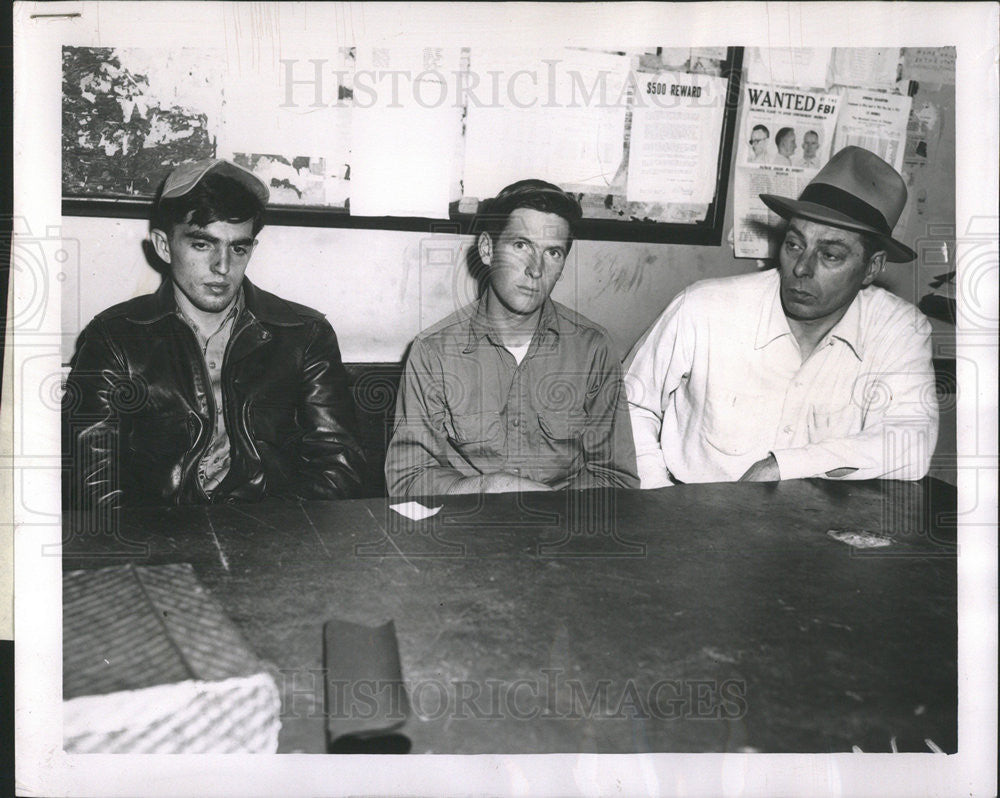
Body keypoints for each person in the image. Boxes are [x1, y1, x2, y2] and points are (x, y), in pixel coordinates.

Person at [625, 146, 937, 487]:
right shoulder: (704, 307)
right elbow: (630, 405)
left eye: (830, 254)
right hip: (691, 514)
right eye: (794, 244)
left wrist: (782, 466)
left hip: (819, 524)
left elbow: (911, 442)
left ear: (871, 268)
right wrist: (660, 496)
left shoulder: (899, 328)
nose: (802, 267)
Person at [65, 159, 366, 508]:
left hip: (275, 538)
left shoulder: (304, 334)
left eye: (238, 248)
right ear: (164, 246)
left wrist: (267, 534)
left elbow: (339, 466)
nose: (223, 267)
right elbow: (92, 485)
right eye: (202, 244)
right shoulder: (114, 339)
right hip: (162, 546)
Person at [385, 179, 638, 497]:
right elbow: (407, 480)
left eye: (553, 253)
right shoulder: (433, 352)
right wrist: (488, 486)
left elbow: (616, 478)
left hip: (564, 526)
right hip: (467, 525)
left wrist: (551, 512)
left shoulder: (593, 349)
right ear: (488, 249)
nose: (536, 269)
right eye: (521, 246)